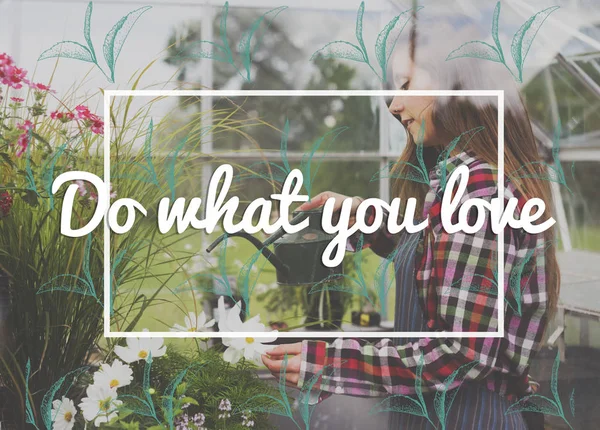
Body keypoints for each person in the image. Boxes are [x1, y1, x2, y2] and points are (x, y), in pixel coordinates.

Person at [261, 22, 559, 430]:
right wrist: (365, 216)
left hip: (463, 416)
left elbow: (462, 353)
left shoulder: (477, 188)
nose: (394, 104)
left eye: (404, 84)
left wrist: (330, 362)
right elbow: (436, 253)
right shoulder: (459, 181)